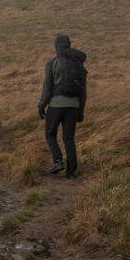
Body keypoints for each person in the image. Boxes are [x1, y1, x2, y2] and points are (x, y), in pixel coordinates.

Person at [37, 33, 87, 177]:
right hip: (74, 106)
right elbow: (83, 91)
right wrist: (81, 110)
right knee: (69, 138)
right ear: (69, 45)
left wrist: (41, 105)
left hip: (56, 105)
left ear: (56, 46)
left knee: (50, 133)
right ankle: (71, 172)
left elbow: (47, 88)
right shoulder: (79, 65)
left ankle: (58, 161)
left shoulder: (52, 63)